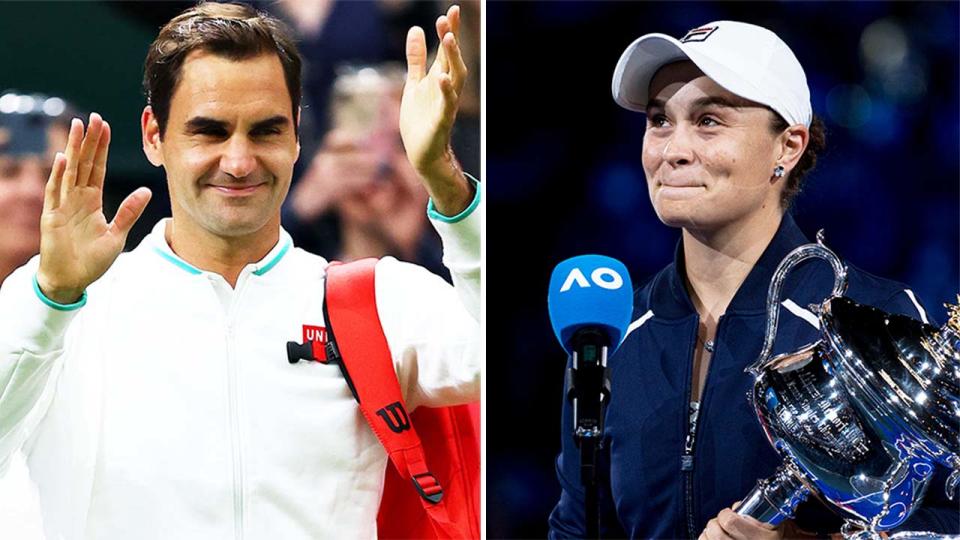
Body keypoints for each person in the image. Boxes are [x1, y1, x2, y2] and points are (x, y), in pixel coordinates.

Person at [0, 2, 479, 539]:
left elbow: (495, 361)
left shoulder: (380, 299)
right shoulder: (59, 306)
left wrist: (447, 184)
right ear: (154, 136)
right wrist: (52, 299)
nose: (238, 161)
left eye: (265, 131)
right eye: (210, 131)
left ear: (299, 134)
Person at [548, 21, 957, 539]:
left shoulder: (875, 318)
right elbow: (577, 525)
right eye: (659, 120)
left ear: (786, 147)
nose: (672, 150)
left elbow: (948, 518)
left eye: (709, 121)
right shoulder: (608, 332)